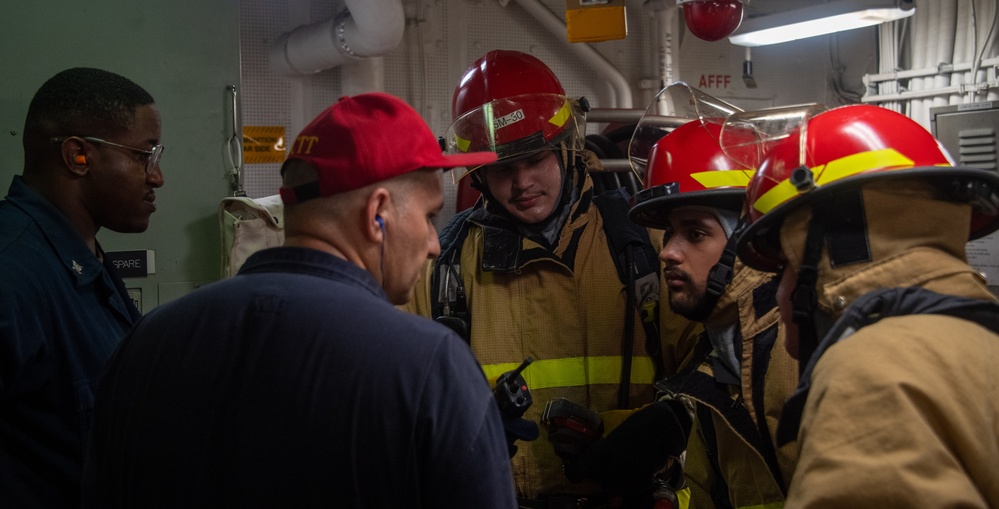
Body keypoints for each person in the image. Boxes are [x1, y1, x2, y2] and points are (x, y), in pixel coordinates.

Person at [85, 93, 518, 508]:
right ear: (377, 214)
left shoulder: (146, 342)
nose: (432, 245)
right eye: (428, 217)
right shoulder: (430, 366)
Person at [405, 50, 701, 505]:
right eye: (503, 168)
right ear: (480, 175)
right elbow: (401, 401)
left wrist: (667, 424)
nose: (521, 182)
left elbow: (717, 359)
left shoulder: (647, 244)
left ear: (565, 147)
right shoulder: (440, 269)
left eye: (535, 159)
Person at [734, 103, 999, 507]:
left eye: (786, 265)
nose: (781, 294)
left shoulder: (872, 374)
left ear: (833, 251)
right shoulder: (982, 339)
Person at [563, 85, 801, 508]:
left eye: (694, 233)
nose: (668, 252)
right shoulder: (724, 365)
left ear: (748, 239)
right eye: (669, 232)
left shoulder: (793, 359)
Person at [0, 67, 164, 507]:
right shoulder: (14, 272)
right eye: (144, 155)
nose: (157, 177)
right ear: (78, 156)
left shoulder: (82, 257)